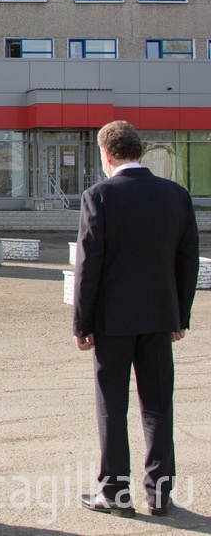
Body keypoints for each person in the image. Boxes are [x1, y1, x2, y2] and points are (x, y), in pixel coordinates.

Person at [74, 120, 199, 518]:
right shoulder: (176, 196)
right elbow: (188, 262)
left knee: (112, 405)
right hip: (161, 318)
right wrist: (180, 315)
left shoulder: (99, 196)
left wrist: (82, 323)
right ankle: (160, 495)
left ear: (105, 154)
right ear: (139, 151)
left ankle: (114, 492)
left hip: (112, 321)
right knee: (158, 405)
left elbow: (88, 266)